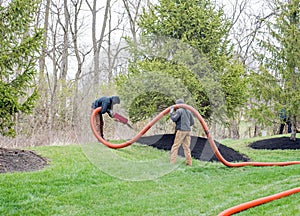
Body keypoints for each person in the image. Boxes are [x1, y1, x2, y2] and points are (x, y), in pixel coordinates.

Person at [170, 99, 194, 166]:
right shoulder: (188, 111)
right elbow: (192, 122)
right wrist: (186, 125)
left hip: (181, 131)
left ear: (177, 105)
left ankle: (172, 163)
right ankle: (189, 163)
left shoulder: (179, 111)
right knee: (186, 147)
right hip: (188, 131)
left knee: (175, 146)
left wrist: (171, 112)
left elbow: (174, 119)